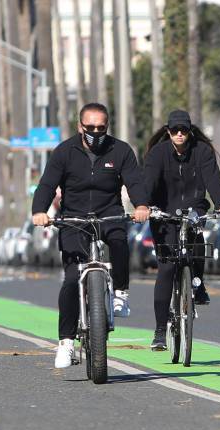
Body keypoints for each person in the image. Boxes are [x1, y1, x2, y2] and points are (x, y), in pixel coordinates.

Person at [32, 103, 150, 368]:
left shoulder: (120, 150)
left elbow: (135, 181)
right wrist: (39, 211)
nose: (96, 132)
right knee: (72, 278)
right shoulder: (65, 151)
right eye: (90, 128)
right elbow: (48, 184)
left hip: (108, 213)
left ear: (107, 126)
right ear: (80, 127)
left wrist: (142, 206)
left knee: (119, 241)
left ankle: (121, 292)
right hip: (74, 218)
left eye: (101, 127)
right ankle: (66, 343)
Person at [144, 110, 220, 351]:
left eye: (184, 130)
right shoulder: (158, 153)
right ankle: (160, 332)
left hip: (194, 209)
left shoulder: (202, 152)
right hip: (164, 214)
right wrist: (144, 205)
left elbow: (213, 179)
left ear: (190, 130)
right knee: (167, 268)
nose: (180, 134)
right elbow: (148, 181)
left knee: (197, 247)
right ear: (168, 131)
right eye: (175, 130)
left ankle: (198, 283)